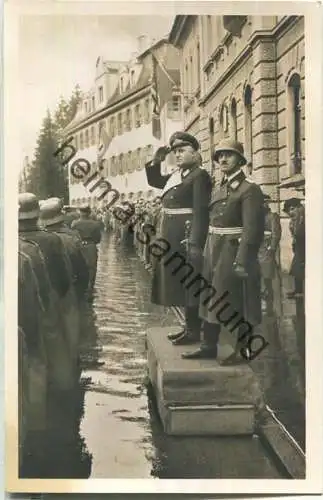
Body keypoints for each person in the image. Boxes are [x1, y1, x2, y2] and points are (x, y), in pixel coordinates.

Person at [182, 139, 265, 364]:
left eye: (229, 155)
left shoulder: (249, 189)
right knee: (210, 295)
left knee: (237, 300)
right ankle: (208, 346)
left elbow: (251, 229)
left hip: (233, 249)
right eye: (220, 156)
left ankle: (243, 349)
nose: (223, 159)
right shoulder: (220, 188)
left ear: (240, 159)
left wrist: (242, 260)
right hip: (214, 247)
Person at [145, 131, 212, 345]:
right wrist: (157, 159)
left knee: (190, 283)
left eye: (183, 151)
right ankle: (187, 327)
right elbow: (155, 180)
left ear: (195, 153)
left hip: (185, 235)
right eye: (175, 152)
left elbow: (201, 211)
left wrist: (195, 242)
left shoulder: (199, 175)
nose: (178, 155)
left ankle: (194, 330)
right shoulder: (177, 175)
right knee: (177, 283)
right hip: (170, 234)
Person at [71, 204, 102, 299]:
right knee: (92, 268)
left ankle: (80, 289)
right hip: (90, 246)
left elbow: (72, 236)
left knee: (78, 267)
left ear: (80, 212)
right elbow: (98, 239)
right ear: (89, 213)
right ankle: (90, 289)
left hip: (78, 246)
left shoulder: (75, 223)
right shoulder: (95, 224)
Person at [258, 194, 282, 312]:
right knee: (259, 273)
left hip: (267, 248)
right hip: (258, 248)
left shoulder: (273, 216)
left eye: (263, 203)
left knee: (267, 274)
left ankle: (269, 298)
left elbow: (276, 234)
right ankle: (264, 295)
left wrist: (271, 248)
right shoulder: (257, 216)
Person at [283, 198, 305, 298]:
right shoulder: (295, 219)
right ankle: (298, 290)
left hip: (304, 245)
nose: (290, 212)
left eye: (292, 209)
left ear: (297, 207)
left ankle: (300, 291)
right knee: (298, 269)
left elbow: (301, 233)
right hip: (299, 246)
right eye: (289, 210)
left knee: (298, 268)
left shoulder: (303, 217)